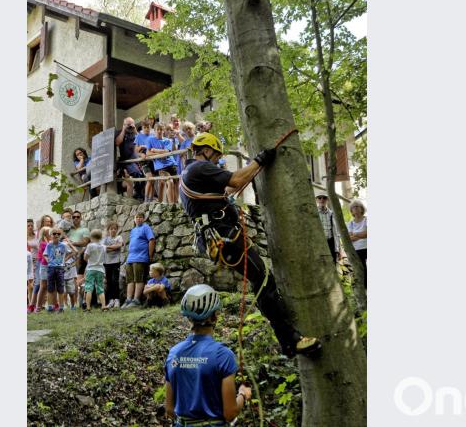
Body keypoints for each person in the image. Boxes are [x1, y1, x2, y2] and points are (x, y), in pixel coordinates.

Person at [178, 132, 320, 358]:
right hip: (224, 237)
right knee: (263, 279)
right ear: (205, 150)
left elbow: (228, 189)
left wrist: (252, 171)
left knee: (260, 278)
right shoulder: (200, 167)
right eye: (216, 156)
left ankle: (287, 339)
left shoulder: (190, 172)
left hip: (220, 238)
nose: (218, 160)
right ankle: (291, 340)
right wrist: (259, 160)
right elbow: (235, 180)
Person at [165, 284, 252, 426]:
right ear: (214, 317)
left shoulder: (174, 353)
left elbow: (169, 410)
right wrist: (243, 394)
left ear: (189, 318)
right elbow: (230, 413)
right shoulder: (223, 355)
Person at [121, 212, 156, 309]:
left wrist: (150, 255)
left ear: (144, 219)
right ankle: (128, 300)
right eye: (137, 217)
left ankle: (136, 300)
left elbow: (152, 240)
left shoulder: (146, 227)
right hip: (130, 259)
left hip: (141, 258)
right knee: (130, 280)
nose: (138, 219)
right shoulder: (133, 230)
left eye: (141, 217)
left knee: (138, 279)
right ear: (134, 219)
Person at [43, 227, 74, 313]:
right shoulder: (49, 245)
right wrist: (48, 260)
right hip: (51, 268)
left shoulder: (63, 245)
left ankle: (61, 307)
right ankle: (50, 307)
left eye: (58, 234)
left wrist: (64, 260)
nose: (56, 235)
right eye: (54, 233)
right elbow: (45, 254)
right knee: (50, 288)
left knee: (60, 288)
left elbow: (71, 252)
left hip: (60, 268)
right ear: (51, 235)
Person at [115, 116, 145, 201]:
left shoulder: (134, 133)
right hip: (126, 161)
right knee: (136, 174)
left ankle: (138, 194)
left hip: (135, 160)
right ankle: (137, 195)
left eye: (131, 124)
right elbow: (117, 142)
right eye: (128, 124)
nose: (130, 127)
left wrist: (135, 130)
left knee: (143, 177)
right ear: (124, 124)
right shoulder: (120, 132)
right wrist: (124, 129)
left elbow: (142, 142)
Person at [148, 123, 179, 204]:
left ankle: (176, 203)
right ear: (154, 131)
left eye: (161, 129)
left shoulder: (168, 140)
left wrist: (154, 150)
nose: (159, 131)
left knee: (175, 184)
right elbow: (148, 153)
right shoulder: (150, 140)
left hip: (172, 164)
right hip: (161, 167)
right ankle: (171, 205)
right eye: (157, 129)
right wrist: (159, 154)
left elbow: (167, 152)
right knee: (169, 182)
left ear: (163, 130)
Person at [67, 211, 91, 308]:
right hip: (68, 258)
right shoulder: (68, 230)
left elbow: (85, 242)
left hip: (80, 257)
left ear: (81, 218)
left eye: (78, 217)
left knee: (78, 280)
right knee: (69, 281)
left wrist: (72, 243)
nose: (76, 218)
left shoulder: (85, 230)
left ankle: (79, 302)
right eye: (74, 217)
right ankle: (71, 303)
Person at [83, 229, 108, 312]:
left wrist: (89, 259)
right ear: (100, 237)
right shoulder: (103, 247)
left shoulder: (90, 246)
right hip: (100, 269)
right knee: (100, 288)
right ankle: (104, 306)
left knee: (88, 288)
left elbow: (85, 257)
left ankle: (88, 307)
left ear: (91, 237)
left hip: (91, 269)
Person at [101, 221, 124, 308]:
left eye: (115, 229)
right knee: (109, 281)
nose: (113, 230)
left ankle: (117, 299)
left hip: (116, 262)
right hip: (107, 262)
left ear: (117, 230)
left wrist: (107, 247)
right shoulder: (105, 239)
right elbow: (103, 250)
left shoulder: (119, 237)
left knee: (115, 280)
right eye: (111, 229)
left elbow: (119, 246)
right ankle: (111, 300)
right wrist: (113, 247)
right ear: (108, 230)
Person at [135, 119, 157, 203]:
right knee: (149, 178)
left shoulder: (153, 136)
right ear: (142, 128)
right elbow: (135, 150)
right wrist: (141, 154)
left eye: (148, 127)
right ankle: (146, 200)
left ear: (150, 127)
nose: (146, 129)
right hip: (143, 161)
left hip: (152, 159)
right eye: (145, 127)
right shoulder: (139, 136)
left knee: (152, 180)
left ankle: (151, 199)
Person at [347, 199, 368, 288]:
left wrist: (355, 234)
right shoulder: (350, 223)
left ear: (361, 209)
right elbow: (349, 238)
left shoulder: (366, 220)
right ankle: (366, 287)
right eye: (353, 207)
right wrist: (362, 235)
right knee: (362, 268)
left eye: (357, 206)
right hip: (357, 249)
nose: (355, 208)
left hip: (367, 247)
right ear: (351, 211)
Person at [32, 227, 52, 313]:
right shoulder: (43, 243)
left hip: (51, 266)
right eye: (48, 232)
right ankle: (38, 307)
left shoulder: (50, 242)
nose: (51, 233)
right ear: (44, 234)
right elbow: (45, 254)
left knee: (48, 287)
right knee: (43, 286)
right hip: (44, 266)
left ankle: (48, 305)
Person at [315, 194, 339, 262]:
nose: (322, 200)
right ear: (316, 200)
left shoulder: (332, 214)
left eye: (324, 198)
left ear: (327, 200)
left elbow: (336, 232)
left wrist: (337, 249)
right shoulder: (314, 213)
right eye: (319, 198)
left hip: (331, 243)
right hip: (318, 243)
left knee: (333, 263)